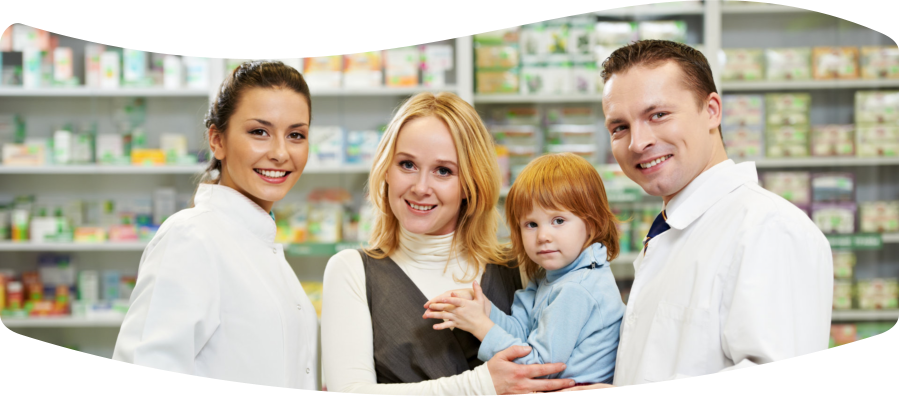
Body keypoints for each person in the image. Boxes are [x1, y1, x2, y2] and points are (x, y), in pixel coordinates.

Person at [566, 39, 832, 388]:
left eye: (658, 115)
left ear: (711, 111)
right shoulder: (675, 228)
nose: (637, 142)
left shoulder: (768, 229)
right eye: (620, 127)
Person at [321, 92, 578, 395]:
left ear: (470, 184)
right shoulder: (353, 271)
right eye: (407, 164)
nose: (420, 188)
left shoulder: (520, 266)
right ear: (386, 170)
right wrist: (483, 385)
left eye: (443, 171)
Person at [112, 61, 319, 390]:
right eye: (259, 132)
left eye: (296, 135)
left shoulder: (260, 244)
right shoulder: (192, 237)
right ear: (216, 140)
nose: (281, 153)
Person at [422, 152, 626, 387]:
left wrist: (481, 326)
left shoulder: (576, 288)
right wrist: (484, 310)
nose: (543, 236)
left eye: (558, 220)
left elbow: (538, 369)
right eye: (531, 224)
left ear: (590, 224)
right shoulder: (549, 277)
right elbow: (521, 333)